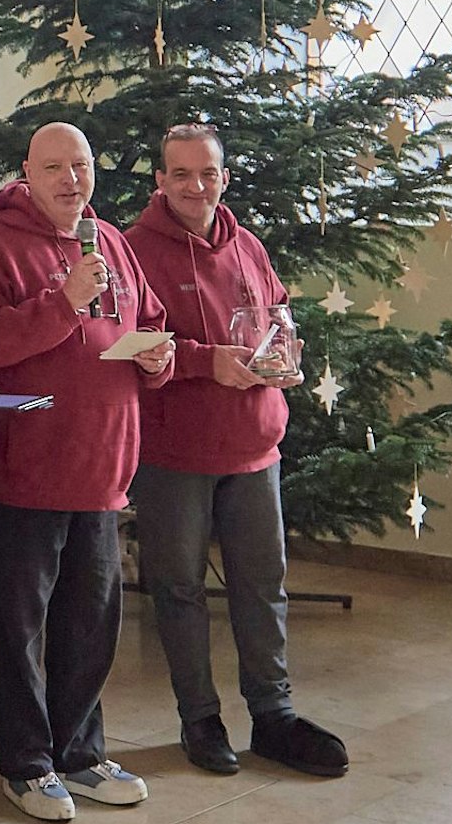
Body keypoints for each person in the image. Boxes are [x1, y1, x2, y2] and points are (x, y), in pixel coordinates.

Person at [0, 122, 173, 823]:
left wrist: (157, 358)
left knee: (92, 620)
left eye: (81, 164)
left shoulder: (111, 240)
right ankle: (26, 764)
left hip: (102, 465)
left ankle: (79, 752)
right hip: (25, 468)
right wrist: (64, 302)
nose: (71, 179)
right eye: (55, 167)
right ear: (27, 172)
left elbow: (151, 319)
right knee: (21, 627)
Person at [125, 123, 348, 778]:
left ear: (224, 177)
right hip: (175, 452)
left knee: (262, 584)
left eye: (209, 173)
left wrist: (283, 354)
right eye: (183, 174)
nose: (197, 186)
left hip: (255, 447)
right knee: (178, 587)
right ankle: (200, 717)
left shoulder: (247, 244)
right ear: (160, 181)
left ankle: (273, 715)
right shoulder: (134, 250)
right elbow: (129, 344)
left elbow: (278, 314)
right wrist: (203, 363)